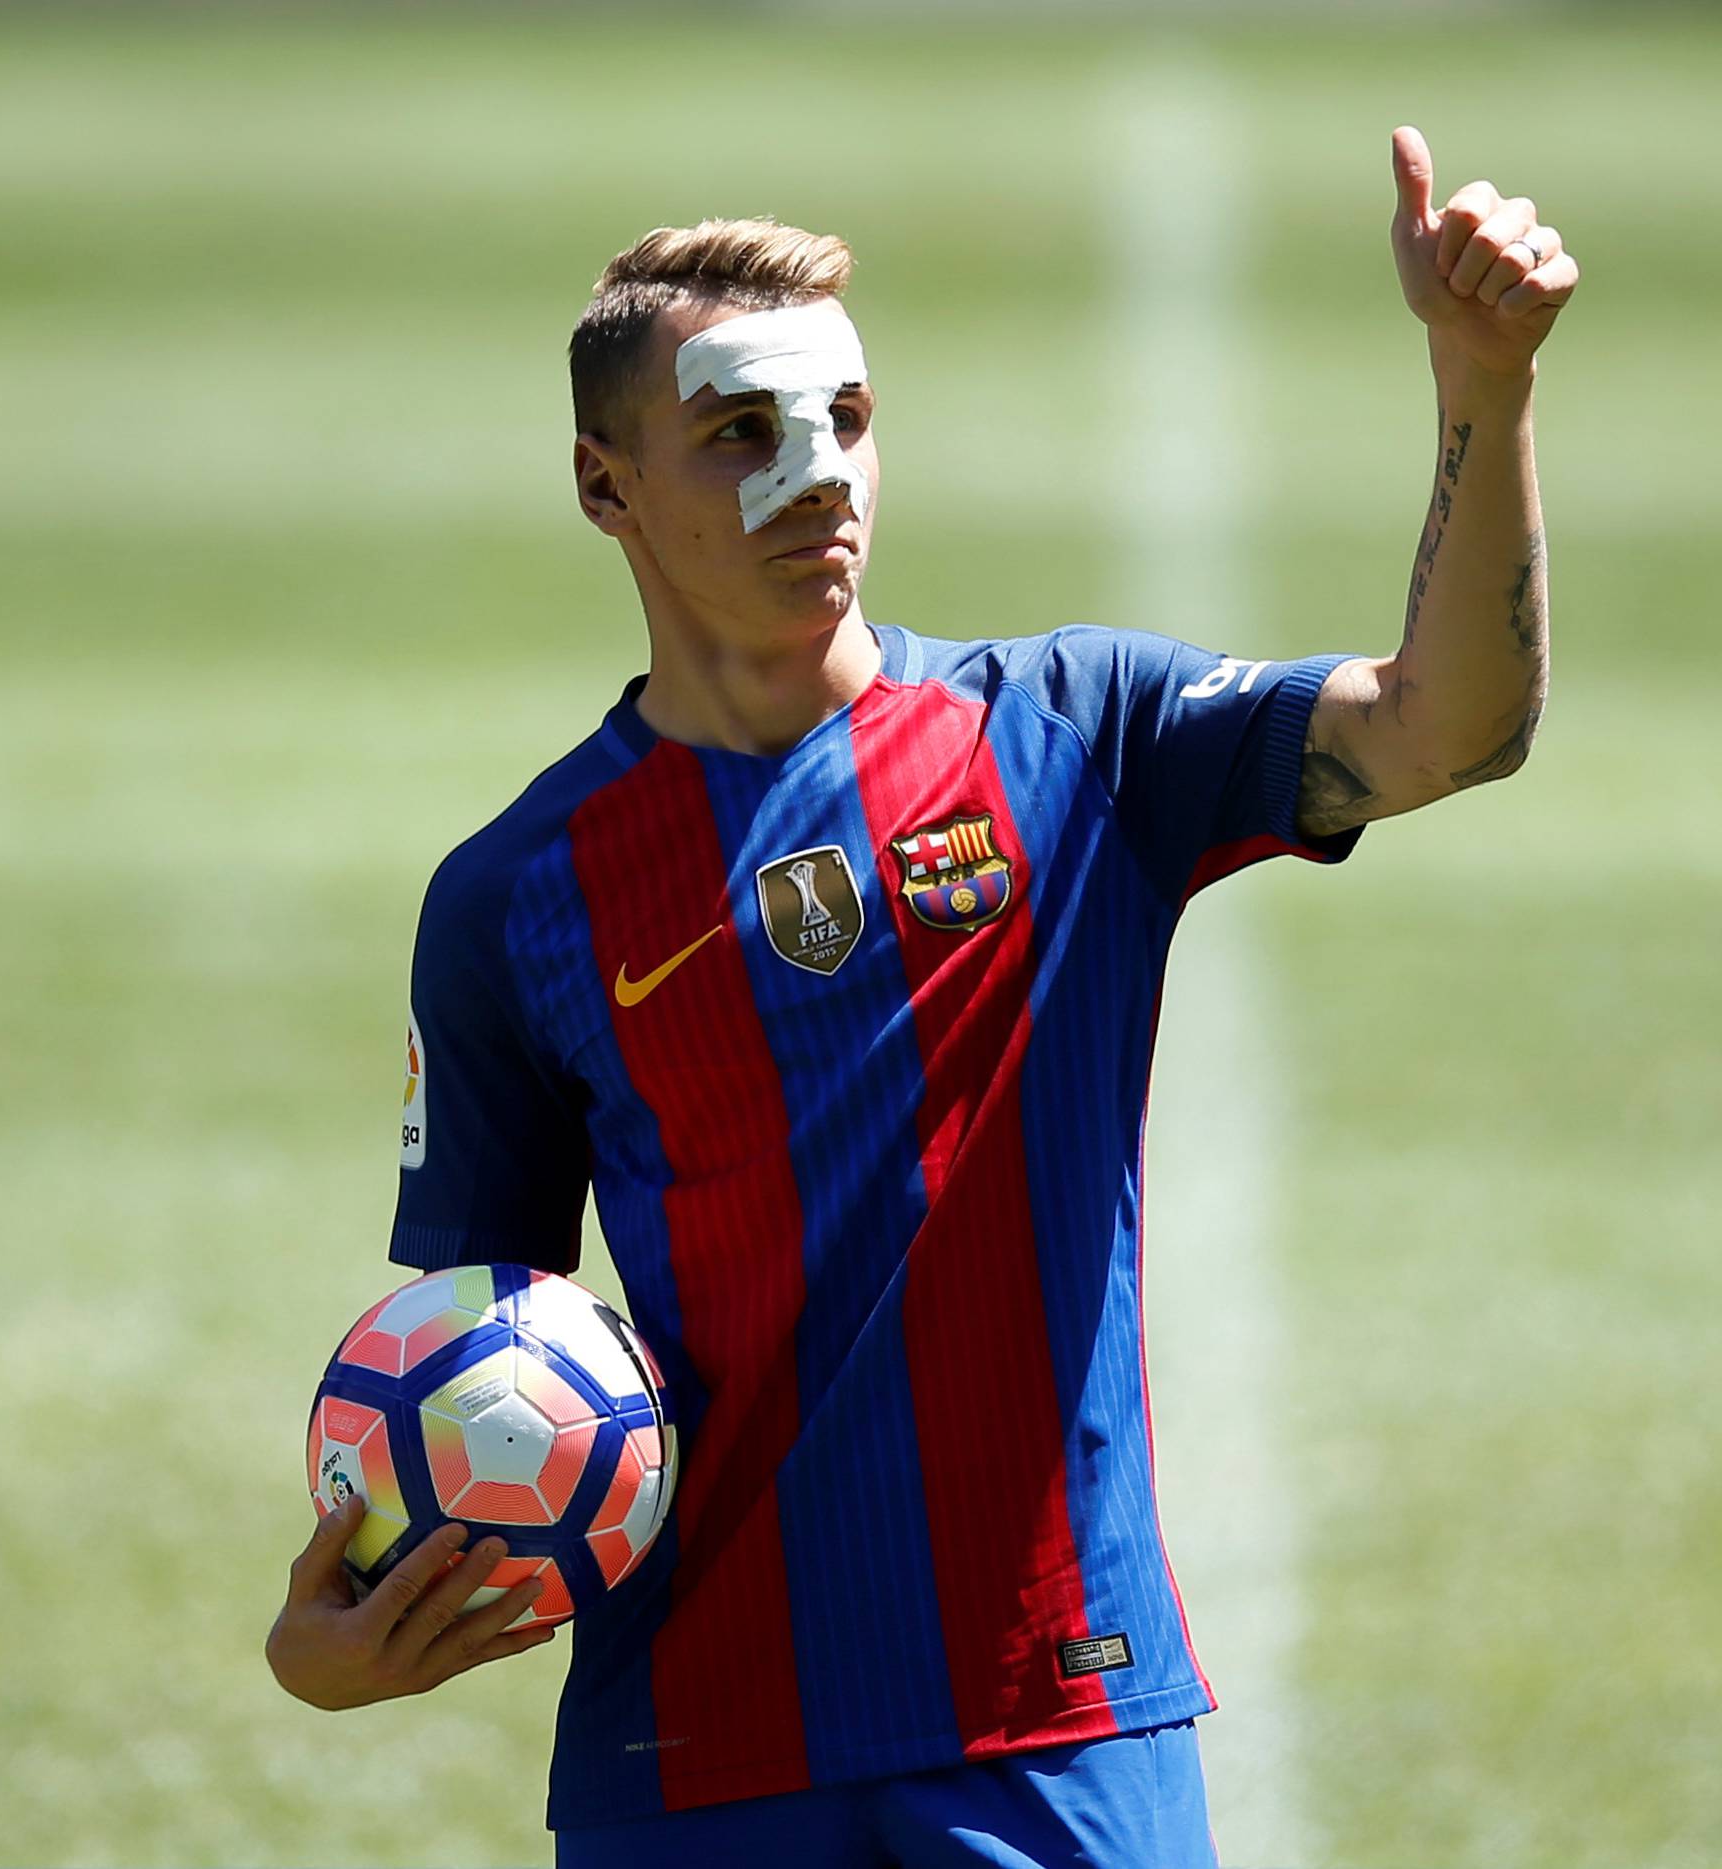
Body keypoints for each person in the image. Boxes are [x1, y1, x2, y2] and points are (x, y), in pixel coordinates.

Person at [266, 126, 1576, 1868]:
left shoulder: (1080, 739)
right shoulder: (516, 898)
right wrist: (325, 1636)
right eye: (743, 430)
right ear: (606, 488)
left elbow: (1448, 728)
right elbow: (475, 1351)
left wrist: (1481, 378)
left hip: (1058, 1713)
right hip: (697, 1745)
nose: (819, 474)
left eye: (849, 422)